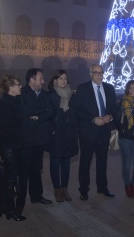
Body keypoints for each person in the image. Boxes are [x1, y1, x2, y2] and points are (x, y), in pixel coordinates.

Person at [73, 64, 117, 200]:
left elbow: (114, 108)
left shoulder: (109, 88)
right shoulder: (83, 88)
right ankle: (84, 189)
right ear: (90, 74)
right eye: (96, 73)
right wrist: (93, 120)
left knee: (102, 161)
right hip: (88, 132)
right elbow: (77, 110)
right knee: (85, 162)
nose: (99, 75)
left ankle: (102, 187)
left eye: (101, 72)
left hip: (104, 132)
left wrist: (110, 116)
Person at [17, 68, 55, 213]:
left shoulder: (45, 94)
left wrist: (39, 117)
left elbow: (51, 111)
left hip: (40, 139)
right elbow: (27, 111)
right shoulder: (23, 93)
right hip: (27, 139)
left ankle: (36, 196)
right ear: (31, 80)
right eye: (41, 79)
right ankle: (20, 200)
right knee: (24, 171)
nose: (43, 81)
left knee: (37, 168)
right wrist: (42, 112)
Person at [0, 74, 26, 221]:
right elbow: (7, 128)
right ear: (11, 87)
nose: (21, 86)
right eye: (18, 84)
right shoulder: (6, 104)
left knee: (8, 177)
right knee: (11, 180)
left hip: (12, 144)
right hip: (10, 146)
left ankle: (3, 207)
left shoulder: (13, 101)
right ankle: (10, 210)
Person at [47, 70, 79, 202]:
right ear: (55, 80)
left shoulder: (72, 95)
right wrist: (52, 130)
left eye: (65, 78)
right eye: (60, 78)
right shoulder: (50, 95)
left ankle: (64, 189)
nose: (63, 81)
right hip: (56, 134)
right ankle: (57, 189)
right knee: (55, 162)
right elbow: (48, 115)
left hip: (69, 133)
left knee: (66, 162)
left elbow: (75, 113)